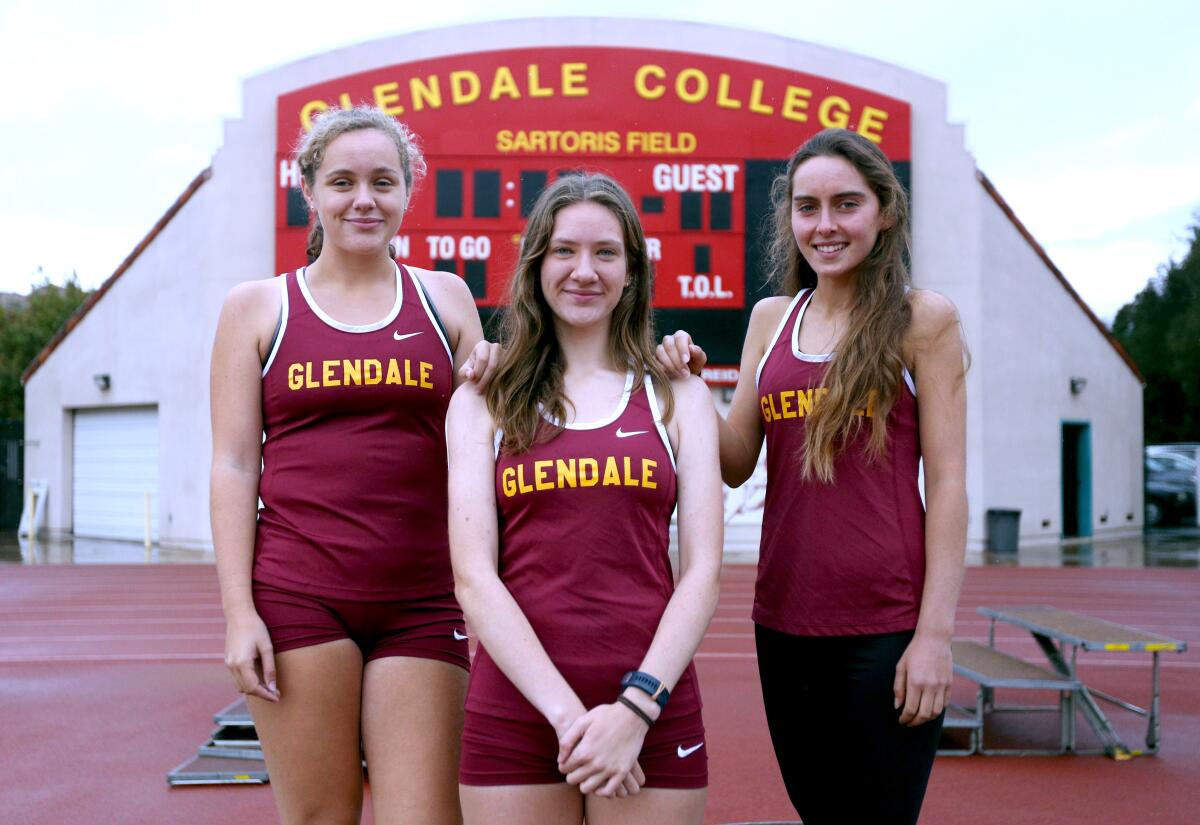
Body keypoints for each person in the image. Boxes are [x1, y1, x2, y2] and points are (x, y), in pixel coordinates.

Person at [658, 128, 968, 825]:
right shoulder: (773, 319)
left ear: (885, 211)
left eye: (846, 204)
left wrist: (935, 636)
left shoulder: (923, 320)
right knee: (819, 812)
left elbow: (948, 484)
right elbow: (735, 460)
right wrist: (688, 385)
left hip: (886, 627)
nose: (825, 225)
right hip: (785, 622)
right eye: (807, 207)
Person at [209, 105, 488, 825]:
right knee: (319, 817)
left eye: (382, 182)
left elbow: (481, 457)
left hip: (423, 600)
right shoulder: (257, 307)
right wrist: (240, 613)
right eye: (342, 181)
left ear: (406, 191)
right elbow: (235, 464)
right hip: (301, 596)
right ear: (309, 189)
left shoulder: (446, 299)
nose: (364, 199)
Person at [446, 173, 723, 825]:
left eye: (606, 252)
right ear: (537, 263)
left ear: (632, 270)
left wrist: (634, 709)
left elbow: (704, 571)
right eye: (564, 250)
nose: (584, 270)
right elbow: (473, 575)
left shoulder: (677, 394)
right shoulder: (483, 396)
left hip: (652, 704)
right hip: (517, 708)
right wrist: (574, 722)